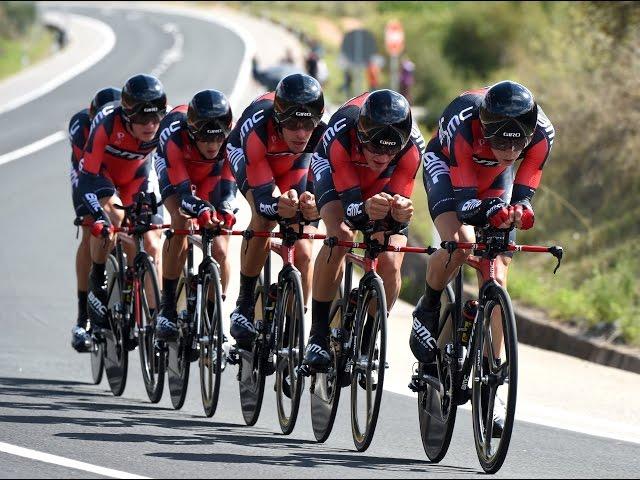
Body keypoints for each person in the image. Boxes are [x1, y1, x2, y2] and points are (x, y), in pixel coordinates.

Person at [414, 80, 554, 432]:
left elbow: (524, 188)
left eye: (517, 142)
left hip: (494, 179)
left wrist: (520, 209)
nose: (509, 149)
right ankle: (428, 307)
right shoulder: (463, 123)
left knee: (499, 267)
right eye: (499, 140)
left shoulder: (542, 134)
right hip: (448, 169)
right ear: (484, 127)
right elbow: (465, 203)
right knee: (461, 242)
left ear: (530, 133)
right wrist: (490, 210)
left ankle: (493, 375)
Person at [304, 89, 426, 368]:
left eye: (390, 150)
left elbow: (397, 204)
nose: (382, 156)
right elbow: (351, 210)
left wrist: (399, 212)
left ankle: (369, 337)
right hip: (337, 174)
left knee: (391, 259)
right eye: (375, 147)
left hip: (381, 185)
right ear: (361, 137)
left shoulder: (412, 147)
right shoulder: (342, 131)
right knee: (341, 235)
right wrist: (363, 210)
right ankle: (318, 335)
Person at [226, 73, 326, 349]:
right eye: (293, 124)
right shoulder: (259, 125)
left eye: (308, 124)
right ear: (279, 118)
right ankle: (244, 303)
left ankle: (293, 330)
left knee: (304, 249)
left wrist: (313, 205)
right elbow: (263, 198)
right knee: (264, 217)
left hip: (293, 165)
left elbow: (327, 191)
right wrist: (277, 205)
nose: (301, 132)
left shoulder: (321, 134)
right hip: (253, 159)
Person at [76, 73, 168, 332]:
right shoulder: (106, 122)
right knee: (112, 220)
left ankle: (156, 321)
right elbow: (87, 179)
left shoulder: (166, 122)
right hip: (103, 175)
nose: (150, 125)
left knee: (151, 242)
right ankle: (98, 278)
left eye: (155, 117)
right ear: (126, 115)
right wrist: (98, 216)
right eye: (141, 118)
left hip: (136, 176)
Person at [153, 90, 237, 340]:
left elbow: (229, 188)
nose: (212, 146)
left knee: (221, 249)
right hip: (176, 171)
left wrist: (226, 210)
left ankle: (213, 312)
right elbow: (185, 196)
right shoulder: (175, 137)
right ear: (192, 133)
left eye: (217, 139)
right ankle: (167, 309)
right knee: (181, 219)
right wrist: (199, 208)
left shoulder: (231, 141)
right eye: (205, 139)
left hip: (211, 175)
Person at [69, 87, 121, 352]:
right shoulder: (81, 125)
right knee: (93, 227)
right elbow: (88, 172)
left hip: (122, 170)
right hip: (89, 171)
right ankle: (82, 317)